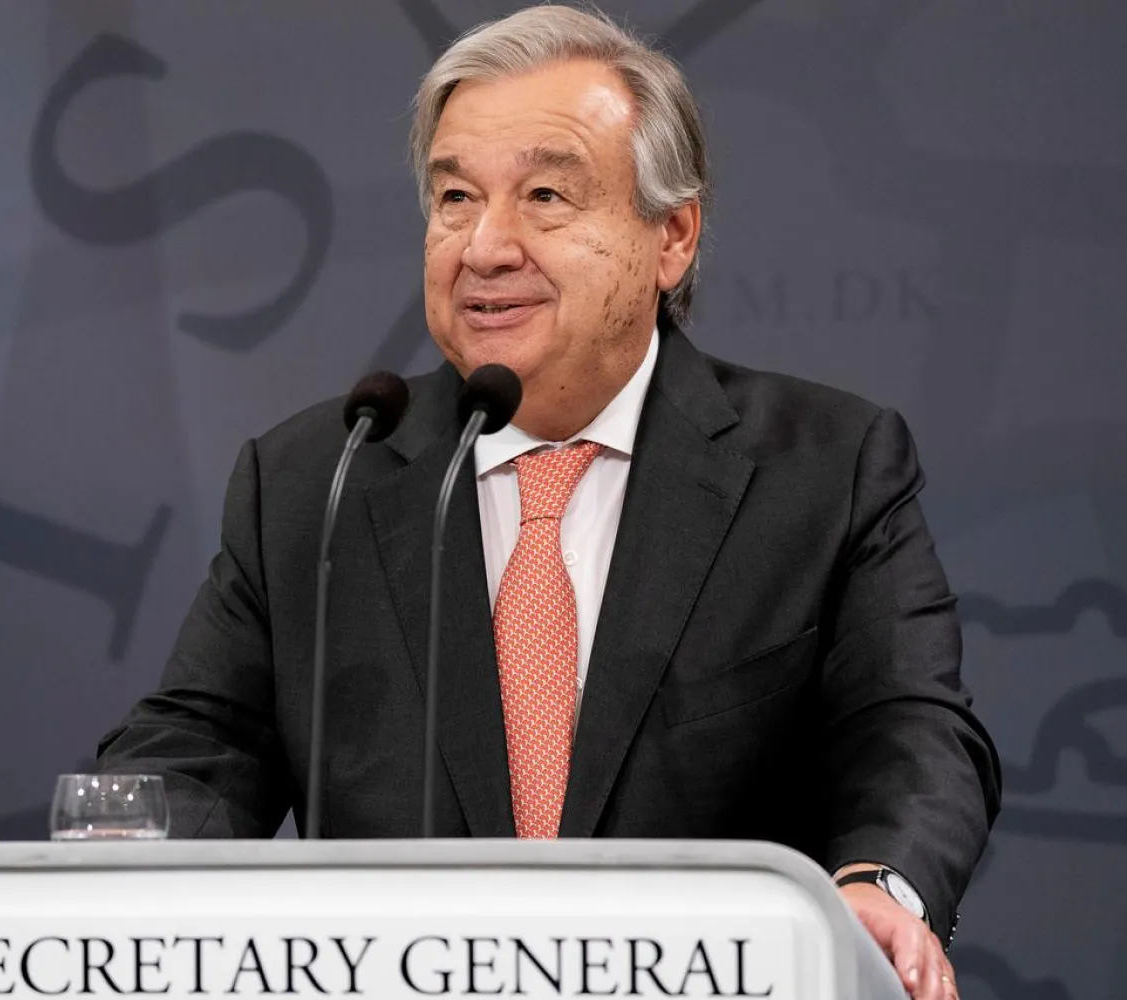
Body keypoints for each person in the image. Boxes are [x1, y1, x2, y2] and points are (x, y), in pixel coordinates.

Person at [97, 7, 999, 998]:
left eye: (545, 196)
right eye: (454, 196)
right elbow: (196, 748)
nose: (486, 245)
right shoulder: (320, 477)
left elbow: (909, 728)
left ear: (673, 237)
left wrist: (878, 881)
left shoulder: (825, 467)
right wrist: (124, 867)